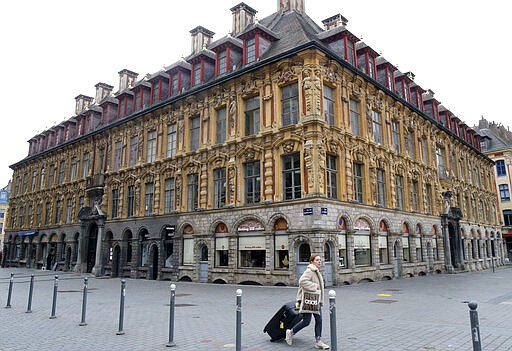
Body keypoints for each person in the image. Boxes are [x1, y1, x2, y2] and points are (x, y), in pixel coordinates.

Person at [286, 254, 330, 349]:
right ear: (312, 261)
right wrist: (315, 286)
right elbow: (302, 281)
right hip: (308, 300)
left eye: (320, 260)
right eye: (317, 260)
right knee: (306, 322)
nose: (319, 262)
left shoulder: (316, 270)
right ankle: (290, 332)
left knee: (319, 320)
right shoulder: (310, 270)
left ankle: (318, 341)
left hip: (314, 300)